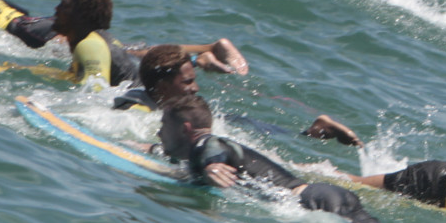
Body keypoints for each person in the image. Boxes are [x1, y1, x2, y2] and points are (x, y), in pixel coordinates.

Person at [145, 49, 397, 223]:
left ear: (185, 129)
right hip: (324, 194)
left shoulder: (208, 145)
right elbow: (185, 154)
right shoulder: (203, 147)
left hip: (313, 200)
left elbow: (211, 149)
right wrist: (148, 149)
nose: (159, 131)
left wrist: (212, 166)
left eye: (164, 126)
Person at [132, 44, 361, 145]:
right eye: (188, 82)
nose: (195, 88)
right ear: (162, 86)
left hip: (228, 124)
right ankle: (315, 131)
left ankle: (313, 132)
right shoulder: (137, 110)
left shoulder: (160, 109)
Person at [48, 0, 247, 87]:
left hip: (142, 103)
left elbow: (93, 92)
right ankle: (201, 56)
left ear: (82, 15)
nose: (55, 9)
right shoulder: (100, 41)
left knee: (136, 54)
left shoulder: (91, 46)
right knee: (134, 53)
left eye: (63, 6)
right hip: (143, 85)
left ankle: (201, 57)